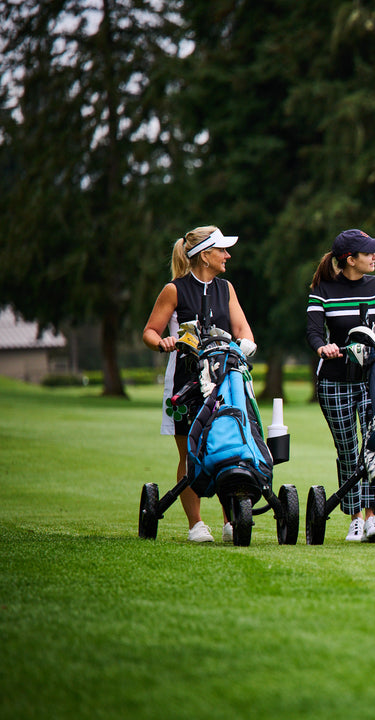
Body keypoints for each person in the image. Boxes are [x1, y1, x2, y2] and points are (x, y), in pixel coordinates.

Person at [142, 226, 256, 543]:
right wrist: (162, 342)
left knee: (227, 448)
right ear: (205, 255)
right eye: (222, 249)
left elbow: (242, 329)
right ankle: (196, 525)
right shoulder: (174, 290)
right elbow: (150, 331)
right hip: (184, 382)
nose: (227, 255)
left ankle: (230, 521)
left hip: (224, 380)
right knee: (189, 453)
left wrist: (246, 344)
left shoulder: (227, 288)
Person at [307, 228, 375, 543]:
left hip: (373, 379)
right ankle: (355, 518)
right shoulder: (323, 289)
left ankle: (374, 516)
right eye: (369, 252)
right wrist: (324, 347)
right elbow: (314, 332)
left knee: (374, 445)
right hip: (334, 381)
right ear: (350, 259)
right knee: (348, 450)